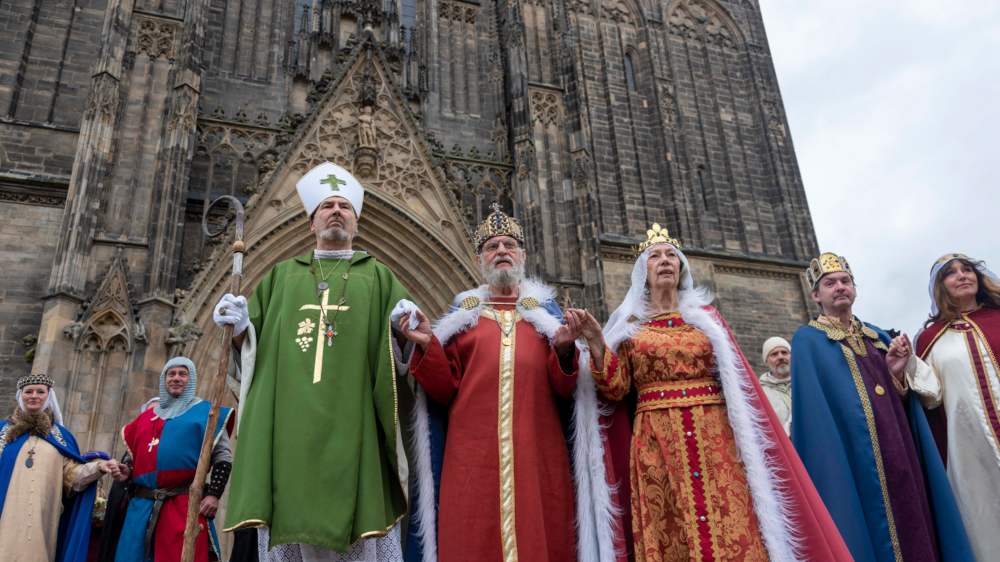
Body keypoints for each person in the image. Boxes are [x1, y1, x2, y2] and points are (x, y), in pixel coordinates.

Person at [577, 224, 849, 562]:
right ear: (642, 273)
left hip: (715, 435)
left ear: (682, 269)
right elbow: (615, 388)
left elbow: (736, 382)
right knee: (671, 526)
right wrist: (595, 342)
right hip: (656, 440)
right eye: (655, 257)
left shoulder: (707, 320)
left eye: (671, 257)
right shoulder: (630, 325)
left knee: (731, 519)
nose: (665, 261)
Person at [216, 161, 419, 560]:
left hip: (356, 426)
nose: (337, 211)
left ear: (357, 223)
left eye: (345, 206)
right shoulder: (280, 278)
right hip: (289, 431)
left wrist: (401, 333)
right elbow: (249, 357)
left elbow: (405, 360)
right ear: (311, 223)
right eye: (327, 206)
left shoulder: (379, 277)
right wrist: (240, 329)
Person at [398, 203, 618, 562]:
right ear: (480, 259)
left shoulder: (546, 318)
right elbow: (443, 390)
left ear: (523, 255)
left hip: (537, 456)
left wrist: (563, 350)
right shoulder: (464, 320)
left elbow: (567, 392)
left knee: (541, 536)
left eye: (508, 245)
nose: (501, 251)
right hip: (471, 461)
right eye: (492, 247)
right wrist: (426, 344)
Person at [791, 252, 973, 562]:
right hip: (851, 460)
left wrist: (895, 373)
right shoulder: (808, 342)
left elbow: (904, 402)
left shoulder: (879, 338)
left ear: (855, 288)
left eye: (845, 281)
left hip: (899, 451)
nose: (839, 287)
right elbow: (815, 417)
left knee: (915, 525)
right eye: (830, 283)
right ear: (815, 295)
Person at [915, 253, 1000, 561]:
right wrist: (906, 367)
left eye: (967, 270)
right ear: (942, 287)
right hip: (969, 449)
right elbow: (931, 397)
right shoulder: (929, 338)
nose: (962, 276)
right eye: (952, 273)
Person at [112, 357, 234, 562]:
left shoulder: (207, 413)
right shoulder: (144, 419)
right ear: (164, 379)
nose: (176, 378)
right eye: (171, 374)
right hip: (141, 508)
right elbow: (140, 462)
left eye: (182, 374)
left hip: (183, 505)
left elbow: (223, 457)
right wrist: (127, 473)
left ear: (191, 379)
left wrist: (214, 494)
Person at [0, 373, 118, 562]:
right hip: (5, 514)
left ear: (48, 396)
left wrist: (99, 467)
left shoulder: (61, 436)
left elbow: (73, 477)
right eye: (28, 391)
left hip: (43, 520)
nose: (34, 396)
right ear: (20, 396)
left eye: (40, 392)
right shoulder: (3, 432)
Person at [759, 336, 792, 434]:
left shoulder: (805, 383)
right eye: (774, 354)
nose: (780, 357)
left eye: (784, 352)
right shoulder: (760, 392)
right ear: (766, 361)